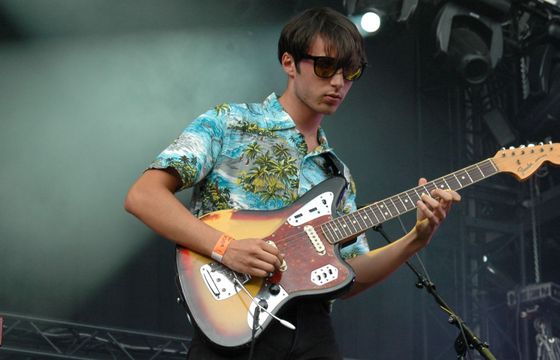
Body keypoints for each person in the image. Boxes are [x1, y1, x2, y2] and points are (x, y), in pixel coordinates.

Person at [124, 6, 461, 360]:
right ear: (289, 63)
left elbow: (348, 277)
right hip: (232, 321)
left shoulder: (337, 174)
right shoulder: (230, 123)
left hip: (312, 329)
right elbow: (143, 196)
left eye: (350, 72)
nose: (338, 82)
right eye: (326, 67)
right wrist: (225, 246)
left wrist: (415, 240)